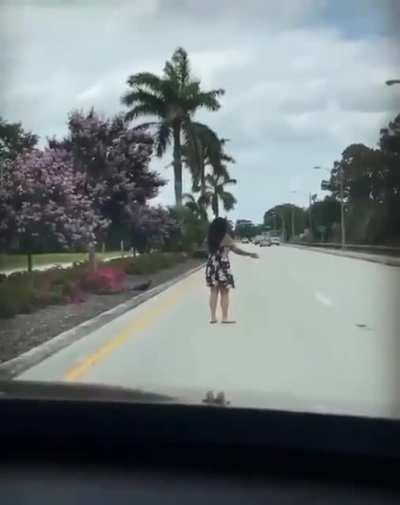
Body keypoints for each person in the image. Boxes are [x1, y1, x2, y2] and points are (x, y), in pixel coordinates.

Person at [205, 217, 258, 323]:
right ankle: (224, 317)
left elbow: (206, 249)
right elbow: (236, 250)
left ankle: (213, 317)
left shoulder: (209, 238)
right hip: (223, 266)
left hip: (211, 265)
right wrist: (250, 254)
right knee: (225, 292)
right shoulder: (226, 238)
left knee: (213, 291)